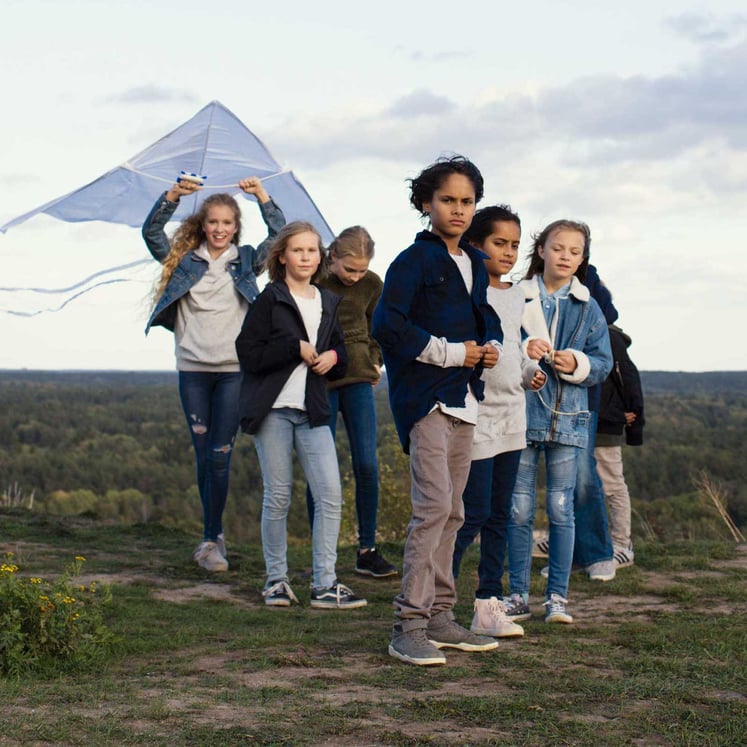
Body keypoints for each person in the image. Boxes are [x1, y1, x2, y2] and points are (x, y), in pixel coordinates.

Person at [372, 155, 502, 666]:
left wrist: (488, 345)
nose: (458, 209)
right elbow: (389, 326)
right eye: (447, 200)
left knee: (455, 510)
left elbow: (484, 314)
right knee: (432, 510)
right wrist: (453, 352)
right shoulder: (412, 260)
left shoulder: (472, 261)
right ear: (426, 203)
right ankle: (408, 625)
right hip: (425, 399)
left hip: (465, 399)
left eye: (467, 201)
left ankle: (442, 616)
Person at [142, 176, 285, 572]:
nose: (220, 229)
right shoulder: (183, 261)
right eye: (213, 222)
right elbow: (151, 232)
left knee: (220, 456)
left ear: (236, 226)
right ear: (203, 225)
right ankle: (211, 535)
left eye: (227, 223)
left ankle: (210, 539)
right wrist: (173, 196)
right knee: (203, 455)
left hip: (233, 371)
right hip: (192, 369)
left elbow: (280, 235)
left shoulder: (247, 261)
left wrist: (261, 195)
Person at [235, 221, 367, 610]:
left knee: (330, 495)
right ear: (282, 256)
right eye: (298, 250)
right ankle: (276, 581)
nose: (306, 257)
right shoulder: (269, 299)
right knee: (278, 497)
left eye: (312, 251)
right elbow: (249, 354)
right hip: (273, 409)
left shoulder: (328, 301)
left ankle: (325, 584)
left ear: (320, 257)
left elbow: (340, 356)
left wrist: (333, 357)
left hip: (313, 411)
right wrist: (293, 346)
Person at [504, 220, 612, 625]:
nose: (566, 256)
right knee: (518, 509)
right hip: (523, 416)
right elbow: (499, 347)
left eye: (575, 251)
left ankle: (557, 599)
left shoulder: (588, 305)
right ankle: (516, 595)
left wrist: (578, 364)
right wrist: (526, 354)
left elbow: (603, 362)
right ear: (542, 250)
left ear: (582, 259)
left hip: (569, 420)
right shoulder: (518, 297)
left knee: (562, 509)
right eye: (558, 248)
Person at [451, 205, 545, 639]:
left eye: (513, 245)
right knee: (471, 513)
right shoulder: (466, 292)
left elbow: (513, 350)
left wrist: (530, 374)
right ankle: (438, 600)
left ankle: (488, 603)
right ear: (475, 244)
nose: (508, 253)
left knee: (500, 516)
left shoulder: (516, 295)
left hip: (513, 416)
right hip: (478, 416)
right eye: (498, 244)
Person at [305, 226, 397, 578]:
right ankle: (320, 553)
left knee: (367, 465)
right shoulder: (315, 281)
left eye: (361, 270)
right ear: (332, 257)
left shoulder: (372, 284)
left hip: (359, 379)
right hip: (321, 381)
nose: (355, 277)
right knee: (322, 469)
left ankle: (367, 549)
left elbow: (379, 326)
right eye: (349, 269)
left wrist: (376, 359)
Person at [595, 323, 645, 567]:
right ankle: (579, 543)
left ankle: (621, 543)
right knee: (572, 487)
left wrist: (631, 424)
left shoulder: (610, 336)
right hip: (578, 421)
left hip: (605, 426)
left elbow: (628, 379)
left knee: (612, 484)